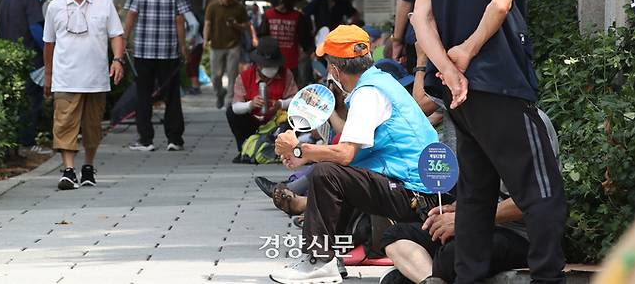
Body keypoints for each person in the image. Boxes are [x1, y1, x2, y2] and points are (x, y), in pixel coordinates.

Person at [413, 0, 567, 283]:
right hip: (500, 83)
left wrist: (447, 66)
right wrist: (465, 52)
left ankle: (469, 278)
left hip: (459, 95)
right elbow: (501, 3)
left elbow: (420, 19)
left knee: (477, 195)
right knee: (544, 192)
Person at [270, 25, 438, 284]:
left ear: (335, 69)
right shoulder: (380, 82)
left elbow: (346, 154)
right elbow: (350, 149)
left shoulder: (369, 93)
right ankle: (330, 259)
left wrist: (299, 149)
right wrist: (306, 154)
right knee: (337, 173)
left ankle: (318, 261)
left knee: (329, 173)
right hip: (420, 190)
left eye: (328, 65)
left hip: (416, 195)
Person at [379, 109, 560, 284]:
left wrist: (466, 220)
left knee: (454, 256)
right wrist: (457, 208)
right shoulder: (478, 121)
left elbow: (535, 200)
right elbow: (479, 189)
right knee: (396, 235)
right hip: (480, 223)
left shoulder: (527, 122)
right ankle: (431, 280)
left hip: (520, 235)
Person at [43, 0, 124, 190]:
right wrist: (48, 75)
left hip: (96, 79)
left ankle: (88, 167)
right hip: (65, 78)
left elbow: (116, 35)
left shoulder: (103, 2)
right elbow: (49, 43)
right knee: (64, 124)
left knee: (92, 126)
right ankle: (68, 170)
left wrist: (117, 59)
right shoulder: (54, 7)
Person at [123, 0, 191, 152]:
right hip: (168, 52)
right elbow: (180, 19)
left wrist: (124, 40)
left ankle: (145, 140)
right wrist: (183, 47)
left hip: (143, 51)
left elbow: (131, 14)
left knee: (143, 94)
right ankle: (174, 139)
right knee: (171, 95)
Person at [0, 0, 50, 156]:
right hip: (29, 58)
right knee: (30, 101)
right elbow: (35, 28)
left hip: (8, 58)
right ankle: (27, 142)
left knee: (13, 102)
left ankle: (12, 142)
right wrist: (47, 50)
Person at [227, 36, 298, 163]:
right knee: (231, 113)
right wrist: (250, 105)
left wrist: (281, 104)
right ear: (258, 64)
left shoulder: (286, 74)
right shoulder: (244, 77)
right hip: (253, 121)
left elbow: (297, 100)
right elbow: (236, 107)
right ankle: (245, 148)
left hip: (277, 122)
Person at [203, 0, 253, 109]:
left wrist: (236, 25)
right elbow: (207, 24)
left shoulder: (239, 8)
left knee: (232, 74)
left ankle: (230, 101)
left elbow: (246, 26)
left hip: (233, 46)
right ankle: (219, 93)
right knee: (215, 76)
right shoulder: (212, 7)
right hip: (216, 46)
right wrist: (205, 41)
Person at [259, 0, 314, 86]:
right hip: (274, 65)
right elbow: (262, 40)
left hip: (289, 66)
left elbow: (306, 41)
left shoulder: (297, 17)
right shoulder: (269, 15)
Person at [184, 10, 204, 95]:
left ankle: (195, 87)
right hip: (191, 44)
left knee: (193, 65)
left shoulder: (186, 13)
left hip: (195, 44)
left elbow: (196, 24)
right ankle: (194, 85)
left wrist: (192, 37)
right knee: (190, 65)